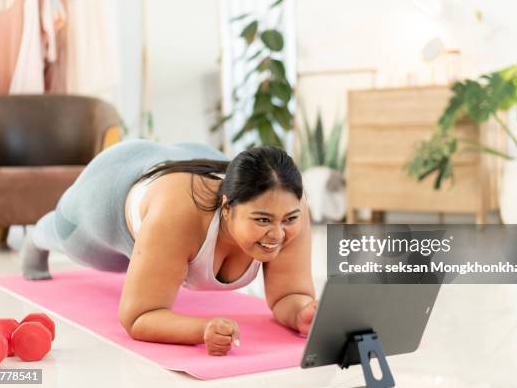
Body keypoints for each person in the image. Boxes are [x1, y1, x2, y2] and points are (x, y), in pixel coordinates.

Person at [20, 139, 317, 356]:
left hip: (195, 160)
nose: (277, 233)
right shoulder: (177, 216)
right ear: (227, 209)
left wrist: (303, 313)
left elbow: (288, 296)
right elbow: (138, 316)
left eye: (288, 219)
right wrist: (200, 331)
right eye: (263, 220)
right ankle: (35, 237)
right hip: (112, 185)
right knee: (65, 235)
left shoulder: (288, 207)